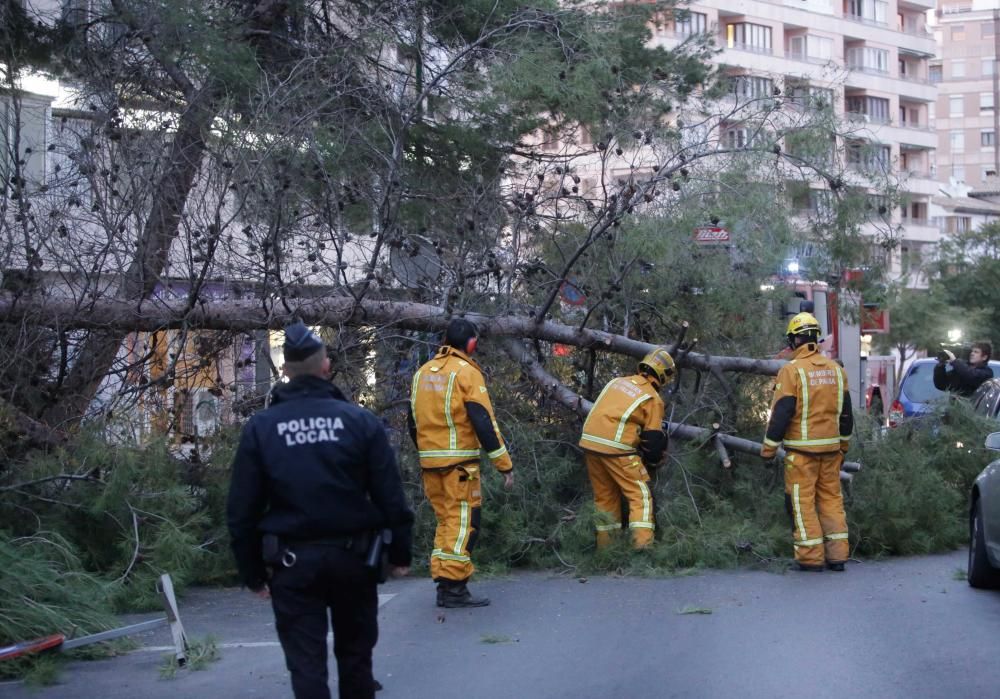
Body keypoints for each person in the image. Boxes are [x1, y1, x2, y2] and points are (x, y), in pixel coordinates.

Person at [227, 321, 413, 699]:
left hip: (293, 565)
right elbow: (390, 496)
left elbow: (242, 510)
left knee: (306, 664)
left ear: (285, 372)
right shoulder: (359, 422)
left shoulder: (262, 428)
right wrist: (400, 553)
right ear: (326, 367)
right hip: (354, 561)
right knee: (356, 659)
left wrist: (252, 573)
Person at [408, 318, 513, 608]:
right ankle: (454, 589)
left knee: (446, 522)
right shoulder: (467, 373)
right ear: (471, 344)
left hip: (430, 464)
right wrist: (504, 465)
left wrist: (428, 453)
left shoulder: (422, 372)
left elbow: (412, 421)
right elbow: (482, 421)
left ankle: (445, 584)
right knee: (465, 523)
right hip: (459, 465)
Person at [761, 312, 853, 572]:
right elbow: (846, 415)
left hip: (802, 454)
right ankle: (837, 557)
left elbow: (780, 415)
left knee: (802, 504)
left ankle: (811, 558)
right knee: (831, 501)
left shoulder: (791, 371)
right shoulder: (837, 370)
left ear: (794, 340)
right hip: (832, 452)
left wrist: (768, 450)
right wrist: (843, 447)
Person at [578, 347, 673, 549]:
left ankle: (607, 551)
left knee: (605, 498)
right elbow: (653, 443)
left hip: (590, 442)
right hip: (617, 449)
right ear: (664, 376)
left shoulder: (616, 382)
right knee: (640, 496)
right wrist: (653, 462)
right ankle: (643, 549)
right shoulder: (653, 399)